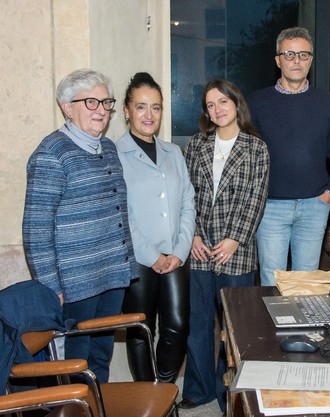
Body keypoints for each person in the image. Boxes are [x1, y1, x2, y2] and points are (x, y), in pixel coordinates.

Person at [22, 68, 138, 382]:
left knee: (101, 356)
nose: (101, 110)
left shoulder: (109, 149)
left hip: (112, 275)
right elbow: (36, 230)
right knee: (76, 362)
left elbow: (116, 212)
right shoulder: (51, 154)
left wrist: (127, 267)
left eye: (106, 102)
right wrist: (51, 287)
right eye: (91, 102)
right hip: (74, 284)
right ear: (66, 107)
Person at [179, 79, 269, 412]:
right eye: (210, 105)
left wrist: (234, 240)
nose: (217, 109)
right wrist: (193, 236)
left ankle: (231, 393)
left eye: (223, 102)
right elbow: (187, 196)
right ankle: (200, 388)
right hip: (201, 249)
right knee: (199, 324)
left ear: (236, 104)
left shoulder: (256, 147)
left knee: (236, 328)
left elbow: (255, 199)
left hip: (237, 251)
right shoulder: (196, 144)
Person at [248, 27, 330, 286]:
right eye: (290, 54)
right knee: (272, 281)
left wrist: (329, 195)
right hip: (270, 208)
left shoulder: (325, 100)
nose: (297, 60)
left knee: (306, 284)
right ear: (278, 60)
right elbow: (246, 155)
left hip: (314, 207)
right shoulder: (257, 102)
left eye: (304, 55)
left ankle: (304, 329)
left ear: (311, 60)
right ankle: (272, 329)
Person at [116, 72, 195, 383]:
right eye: (141, 107)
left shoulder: (173, 152)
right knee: (141, 331)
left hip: (175, 255)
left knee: (177, 325)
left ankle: (163, 389)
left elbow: (188, 202)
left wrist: (179, 250)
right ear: (126, 110)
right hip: (137, 258)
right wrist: (152, 255)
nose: (149, 115)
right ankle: (147, 400)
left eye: (156, 107)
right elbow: (120, 213)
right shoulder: (115, 154)